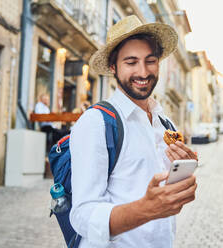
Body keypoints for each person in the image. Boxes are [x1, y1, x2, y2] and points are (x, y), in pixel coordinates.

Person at [70, 15, 198, 248]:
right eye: (131, 62)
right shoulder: (96, 122)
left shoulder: (165, 123)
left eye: (150, 60)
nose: (143, 72)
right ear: (113, 67)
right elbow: (82, 215)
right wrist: (145, 209)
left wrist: (182, 179)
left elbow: (160, 194)